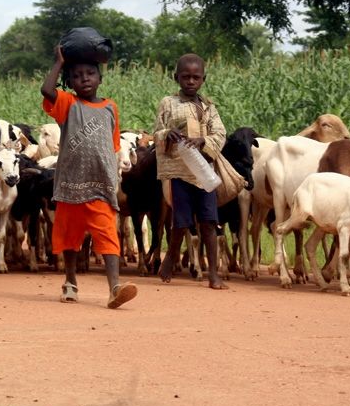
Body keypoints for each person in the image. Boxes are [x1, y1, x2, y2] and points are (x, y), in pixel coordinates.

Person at [41, 46, 137, 309]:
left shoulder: (110, 108)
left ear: (100, 78)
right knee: (69, 238)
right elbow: (47, 91)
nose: (84, 78)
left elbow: (113, 146)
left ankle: (114, 288)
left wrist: (113, 176)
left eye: (90, 73)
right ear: (70, 82)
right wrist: (58, 63)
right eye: (78, 75)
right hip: (71, 184)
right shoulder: (68, 105)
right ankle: (70, 281)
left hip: (101, 185)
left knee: (108, 235)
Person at [153, 53, 228, 289]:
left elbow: (220, 134)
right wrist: (167, 135)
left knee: (209, 222)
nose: (191, 81)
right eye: (186, 77)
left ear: (203, 79)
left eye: (196, 77)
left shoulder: (208, 107)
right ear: (177, 77)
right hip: (180, 172)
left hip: (203, 171)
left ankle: (213, 274)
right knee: (181, 222)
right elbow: (157, 132)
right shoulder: (168, 103)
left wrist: (202, 141)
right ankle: (171, 257)